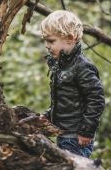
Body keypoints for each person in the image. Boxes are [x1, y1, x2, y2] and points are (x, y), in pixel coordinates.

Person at [40, 10, 105, 158]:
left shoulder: (82, 67)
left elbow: (96, 100)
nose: (46, 46)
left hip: (76, 137)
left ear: (70, 38)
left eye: (51, 41)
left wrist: (86, 131)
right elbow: (65, 100)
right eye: (45, 41)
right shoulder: (61, 65)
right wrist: (48, 116)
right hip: (64, 133)